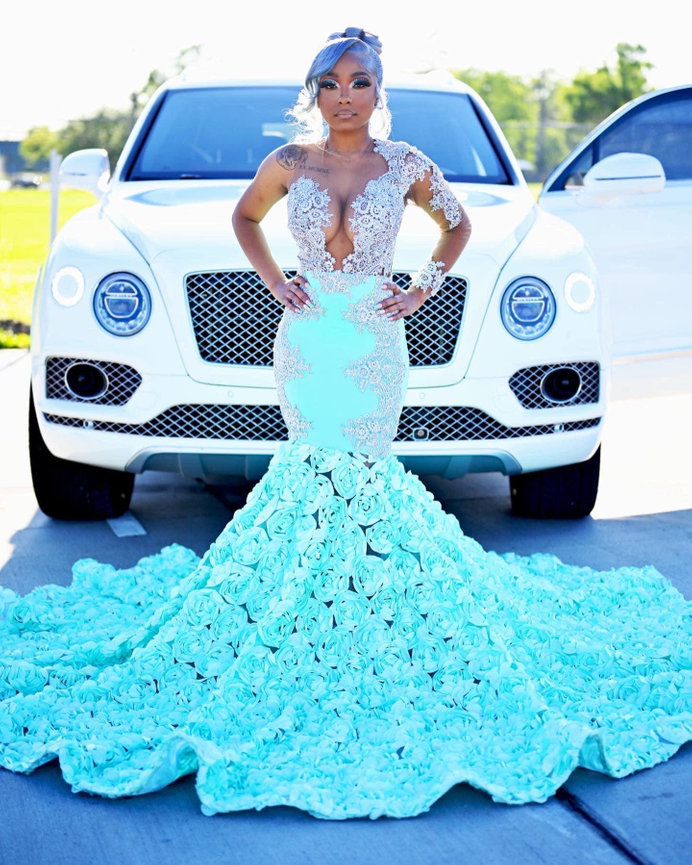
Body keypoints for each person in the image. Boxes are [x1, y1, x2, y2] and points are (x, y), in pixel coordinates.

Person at [0, 29, 689, 821]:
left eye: (359, 82)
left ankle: (361, 605)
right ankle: (302, 603)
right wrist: (276, 282)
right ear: (316, 91)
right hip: (306, 341)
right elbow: (245, 218)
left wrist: (423, 287)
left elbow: (458, 226)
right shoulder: (290, 165)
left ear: (376, 90)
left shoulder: (405, 166)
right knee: (308, 466)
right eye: (330, 82)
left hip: (372, 339)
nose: (345, 95)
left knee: (359, 469)